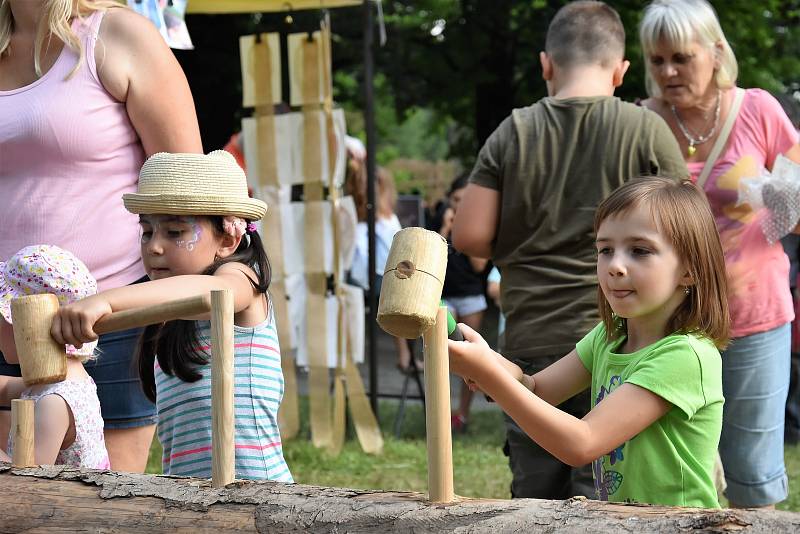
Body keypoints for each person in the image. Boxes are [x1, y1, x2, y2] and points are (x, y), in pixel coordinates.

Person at [451, 1, 688, 500]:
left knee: (536, 498)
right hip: (627, 338)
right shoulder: (646, 130)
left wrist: (526, 238)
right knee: (609, 494)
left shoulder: (513, 131)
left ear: (546, 66)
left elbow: (469, 235)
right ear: (622, 71)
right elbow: (688, 228)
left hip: (533, 332)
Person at [0, 0, 203, 472]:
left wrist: (185, 307)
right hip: (3, 321)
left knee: (104, 502)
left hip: (108, 316)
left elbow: (187, 189)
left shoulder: (117, 35)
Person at [449, 177, 729, 507]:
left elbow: (582, 442)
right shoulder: (609, 337)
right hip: (626, 524)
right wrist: (484, 358)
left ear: (690, 270)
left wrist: (490, 377)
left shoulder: (685, 354)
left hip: (677, 527)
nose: (615, 266)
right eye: (605, 250)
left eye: (639, 250)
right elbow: (536, 388)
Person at [638, 0, 800, 507]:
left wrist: (759, 191)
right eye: (657, 59)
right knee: (670, 470)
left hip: (752, 315)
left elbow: (795, 214)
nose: (667, 72)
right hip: (667, 320)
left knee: (751, 472)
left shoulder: (759, 109)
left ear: (715, 52)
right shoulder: (642, 120)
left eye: (681, 58)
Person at [51, 151, 292, 482]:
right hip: (191, 495)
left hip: (260, 493)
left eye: (175, 232)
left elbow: (214, 295)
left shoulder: (242, 279)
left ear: (229, 238)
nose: (154, 247)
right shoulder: (170, 314)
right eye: (148, 231)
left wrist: (105, 300)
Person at [0, 245, 109, 469]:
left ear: (30, 324)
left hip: (61, 504)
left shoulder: (54, 402)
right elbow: (5, 388)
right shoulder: (59, 381)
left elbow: (26, 481)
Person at [348, 160, 416, 372]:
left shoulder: (386, 219)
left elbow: (394, 248)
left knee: (404, 294)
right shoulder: (357, 218)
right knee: (397, 294)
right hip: (365, 276)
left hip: (381, 272)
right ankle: (406, 355)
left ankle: (407, 354)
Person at [437, 174, 489, 433]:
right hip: (444, 295)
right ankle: (440, 413)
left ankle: (463, 414)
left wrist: (464, 233)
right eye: (456, 199)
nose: (459, 205)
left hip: (471, 296)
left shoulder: (476, 226)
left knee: (469, 357)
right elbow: (429, 259)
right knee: (443, 354)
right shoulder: (439, 221)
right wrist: (446, 231)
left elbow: (480, 266)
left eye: (464, 200)